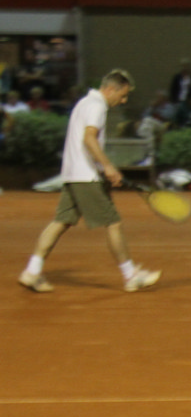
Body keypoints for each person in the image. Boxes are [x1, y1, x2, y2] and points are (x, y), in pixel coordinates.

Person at [16, 69, 161, 294]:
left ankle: (31, 272)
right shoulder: (97, 106)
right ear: (110, 89)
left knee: (61, 221)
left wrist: (103, 169)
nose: (123, 101)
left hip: (74, 174)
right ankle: (131, 275)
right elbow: (89, 138)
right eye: (122, 95)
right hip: (86, 176)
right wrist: (108, 166)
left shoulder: (84, 103)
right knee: (113, 223)